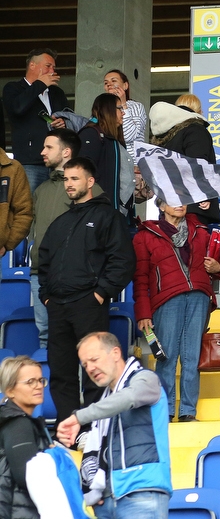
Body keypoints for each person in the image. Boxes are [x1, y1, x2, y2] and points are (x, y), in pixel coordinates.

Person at [38, 157, 135, 426]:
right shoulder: (59, 222)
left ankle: (94, 430)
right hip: (57, 306)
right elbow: (43, 262)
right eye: (66, 179)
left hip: (88, 304)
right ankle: (67, 429)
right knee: (61, 373)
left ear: (90, 182)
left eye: (75, 179)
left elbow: (123, 261)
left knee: (96, 369)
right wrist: (46, 296)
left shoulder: (108, 216)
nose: (69, 184)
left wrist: (100, 293)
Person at [133, 198, 220, 422]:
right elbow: (140, 278)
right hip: (166, 299)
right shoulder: (144, 235)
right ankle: (164, 412)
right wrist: (143, 313)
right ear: (160, 206)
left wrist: (217, 268)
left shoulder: (202, 231)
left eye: (183, 200)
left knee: (192, 358)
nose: (180, 204)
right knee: (166, 357)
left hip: (199, 296)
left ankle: (188, 411)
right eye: (173, 200)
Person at [57, 332, 171, 519]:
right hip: (107, 500)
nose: (90, 368)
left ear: (116, 353)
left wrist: (79, 417)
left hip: (141, 492)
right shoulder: (106, 400)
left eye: (94, 359)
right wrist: (97, 488)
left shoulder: (146, 379)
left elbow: (129, 397)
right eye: (85, 365)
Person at [29, 129, 97, 349]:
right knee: (45, 338)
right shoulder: (41, 190)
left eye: (49, 147)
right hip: (42, 276)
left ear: (66, 151)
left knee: (81, 342)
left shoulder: (91, 189)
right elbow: (33, 231)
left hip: (77, 280)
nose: (42, 152)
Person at [2, 48, 69, 192]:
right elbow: (17, 108)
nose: (52, 70)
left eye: (54, 67)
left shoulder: (57, 93)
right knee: (29, 208)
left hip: (58, 162)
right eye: (48, 66)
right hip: (30, 162)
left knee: (55, 208)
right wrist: (40, 84)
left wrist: (64, 122)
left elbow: (69, 116)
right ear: (32, 65)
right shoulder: (13, 88)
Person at [148, 101, 219, 224]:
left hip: (171, 208)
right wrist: (204, 193)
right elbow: (198, 164)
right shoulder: (195, 131)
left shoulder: (168, 138)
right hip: (194, 206)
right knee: (192, 242)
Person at [0, 356, 51, 519]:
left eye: (40, 380)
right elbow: (28, 477)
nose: (38, 386)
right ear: (10, 390)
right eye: (30, 382)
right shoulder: (18, 424)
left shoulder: (12, 420)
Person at [78, 93, 133, 214]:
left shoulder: (113, 139)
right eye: (119, 108)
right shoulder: (91, 134)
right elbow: (84, 173)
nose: (123, 113)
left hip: (117, 212)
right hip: (98, 213)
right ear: (108, 110)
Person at [102, 70, 145, 159]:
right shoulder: (102, 109)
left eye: (114, 81)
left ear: (125, 85)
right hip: (112, 161)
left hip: (133, 164)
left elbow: (129, 136)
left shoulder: (136, 107)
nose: (109, 84)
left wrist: (123, 104)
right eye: (106, 83)